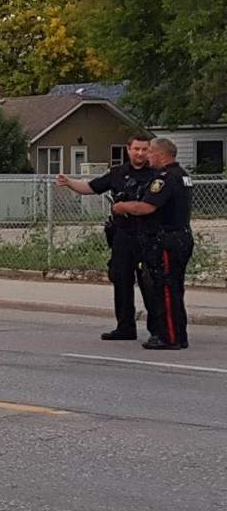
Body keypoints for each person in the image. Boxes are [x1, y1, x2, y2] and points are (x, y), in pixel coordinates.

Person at [57, 134, 157, 340]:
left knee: (150, 283)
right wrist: (69, 183)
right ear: (128, 149)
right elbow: (91, 187)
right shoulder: (118, 173)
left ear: (149, 150)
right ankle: (125, 327)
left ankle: (157, 330)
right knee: (121, 280)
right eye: (136, 149)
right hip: (122, 236)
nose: (140, 153)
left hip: (148, 236)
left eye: (144, 149)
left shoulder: (156, 174)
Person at [111, 137, 194, 350]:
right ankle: (176, 334)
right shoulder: (183, 175)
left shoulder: (165, 179)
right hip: (181, 236)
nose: (147, 156)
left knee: (166, 288)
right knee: (174, 288)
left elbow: (147, 207)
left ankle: (170, 337)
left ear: (160, 154)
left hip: (167, 239)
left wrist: (123, 207)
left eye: (150, 153)